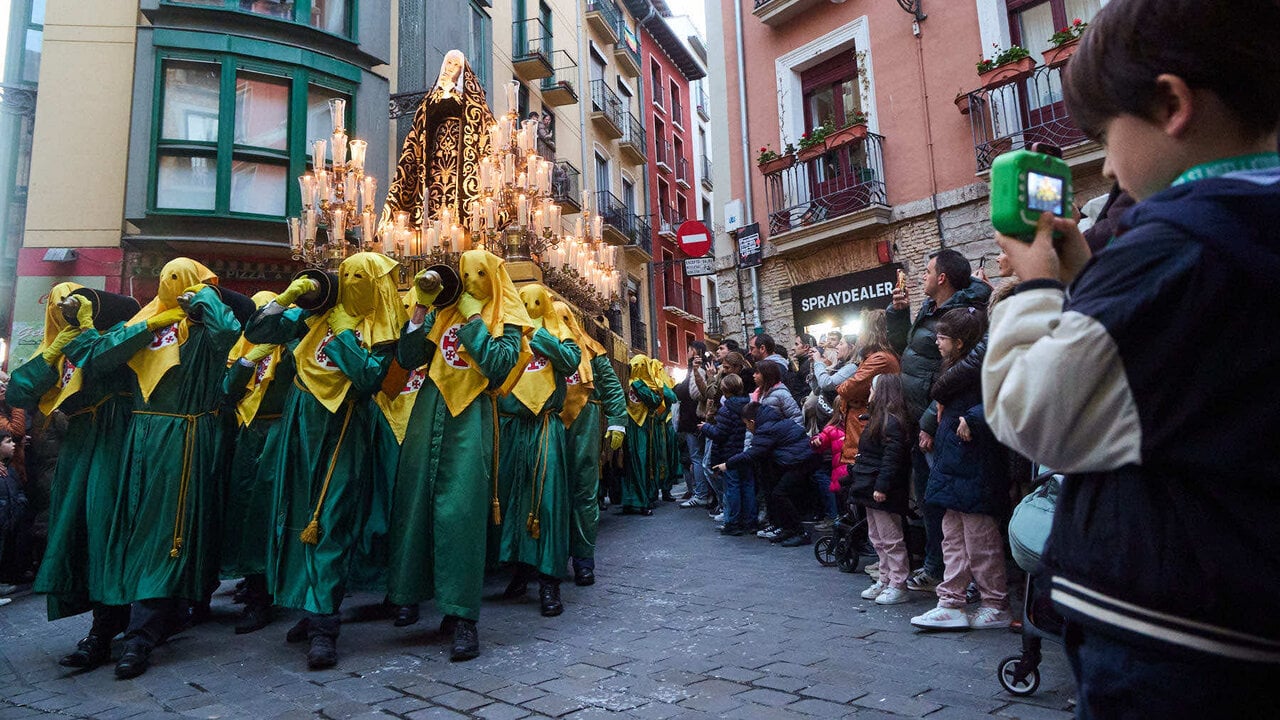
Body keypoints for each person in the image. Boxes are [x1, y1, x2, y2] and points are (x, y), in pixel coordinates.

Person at [983, 0, 1280, 711]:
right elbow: (1160, 373)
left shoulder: (1177, 247)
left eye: (1104, 135)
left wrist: (1034, 289)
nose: (1108, 163)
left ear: (1172, 104)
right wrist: (1090, 281)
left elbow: (1033, 409)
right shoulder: (1243, 232)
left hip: (1177, 643)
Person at [79, 259, 237, 679]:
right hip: (139, 437)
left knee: (163, 534)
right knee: (125, 532)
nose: (181, 287)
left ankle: (141, 637)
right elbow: (98, 358)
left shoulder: (203, 331)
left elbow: (228, 330)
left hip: (183, 441)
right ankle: (105, 628)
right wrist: (150, 325)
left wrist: (203, 299)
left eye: (197, 283)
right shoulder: (145, 323)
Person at [246, 253, 405, 670]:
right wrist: (286, 298)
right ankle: (308, 602)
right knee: (296, 517)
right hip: (300, 425)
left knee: (328, 521)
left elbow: (372, 379)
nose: (350, 281)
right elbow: (260, 330)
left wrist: (346, 336)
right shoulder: (316, 316)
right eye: (346, 273)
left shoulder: (384, 332)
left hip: (343, 429)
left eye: (361, 276)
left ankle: (324, 625)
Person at [387, 250, 532, 662]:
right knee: (415, 503)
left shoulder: (504, 318)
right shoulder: (441, 313)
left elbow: (500, 365)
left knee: (462, 512)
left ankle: (464, 616)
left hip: (471, 418)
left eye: (477, 274)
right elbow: (410, 357)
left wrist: (472, 320)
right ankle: (409, 592)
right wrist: (419, 310)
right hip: (428, 413)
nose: (468, 281)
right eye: (464, 273)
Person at [4, 286, 141, 667]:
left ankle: (127, 624)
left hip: (115, 442)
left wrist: (83, 333)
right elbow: (19, 390)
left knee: (109, 532)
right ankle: (107, 622)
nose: (63, 313)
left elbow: (100, 361)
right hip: (79, 451)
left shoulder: (116, 340)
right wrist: (53, 348)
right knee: (77, 535)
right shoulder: (64, 349)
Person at [887, 250, 990, 593]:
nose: (923, 277)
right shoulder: (927, 309)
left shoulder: (962, 315)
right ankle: (937, 567)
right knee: (933, 499)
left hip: (940, 419)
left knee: (953, 503)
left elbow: (955, 373)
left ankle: (969, 579)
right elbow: (908, 350)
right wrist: (899, 315)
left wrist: (931, 420)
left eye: (929, 271)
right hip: (918, 417)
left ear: (942, 278)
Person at [911, 308, 1011, 630]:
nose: (937, 342)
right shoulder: (954, 369)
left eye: (942, 337)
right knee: (952, 536)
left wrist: (975, 418)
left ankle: (995, 603)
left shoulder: (979, 369)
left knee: (980, 539)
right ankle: (950, 601)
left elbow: (1004, 395)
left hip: (974, 461)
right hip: (954, 460)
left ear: (959, 342)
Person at [495, 284, 581, 618]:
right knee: (512, 498)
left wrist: (540, 335)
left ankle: (549, 580)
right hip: (512, 427)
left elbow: (571, 362)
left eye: (536, 303)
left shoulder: (559, 335)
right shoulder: (508, 334)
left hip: (545, 425)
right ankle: (520, 567)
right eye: (523, 303)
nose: (530, 308)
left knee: (547, 501)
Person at [219, 291, 294, 636]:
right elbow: (230, 389)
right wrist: (251, 358)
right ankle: (253, 585)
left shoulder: (293, 345)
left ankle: (271, 591)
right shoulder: (243, 347)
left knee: (274, 512)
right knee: (246, 511)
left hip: (282, 431)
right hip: (248, 433)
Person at [553, 301, 625, 588]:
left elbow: (611, 388)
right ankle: (551, 559)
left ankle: (583, 560)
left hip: (584, 426)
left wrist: (617, 420)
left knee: (584, 494)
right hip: (551, 426)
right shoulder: (540, 347)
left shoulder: (594, 352)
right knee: (551, 495)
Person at [381, 50, 494, 233]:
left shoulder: (470, 100)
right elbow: (418, 132)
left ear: (462, 71)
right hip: (435, 159)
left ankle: (462, 228)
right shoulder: (430, 100)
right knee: (433, 194)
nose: (451, 68)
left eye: (456, 65)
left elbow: (485, 126)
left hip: (462, 158)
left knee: (461, 196)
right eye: (449, 63)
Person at [713, 402, 817, 547]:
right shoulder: (773, 422)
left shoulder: (766, 430)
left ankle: (800, 532)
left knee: (780, 494)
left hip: (801, 461)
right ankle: (788, 528)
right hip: (801, 458)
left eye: (746, 425)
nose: (747, 428)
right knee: (776, 492)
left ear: (752, 421)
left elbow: (752, 454)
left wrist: (727, 464)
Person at [847, 375, 912, 606]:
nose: (869, 393)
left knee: (890, 538)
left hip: (880, 488)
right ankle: (886, 579)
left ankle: (898, 582)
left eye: (873, 389)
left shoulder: (890, 422)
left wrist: (882, 486)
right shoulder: (880, 419)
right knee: (877, 537)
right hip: (871, 486)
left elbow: (892, 459)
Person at [836, 310, 901, 465]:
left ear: (871, 331)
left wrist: (843, 390)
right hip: (862, 427)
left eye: (861, 330)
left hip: (867, 429)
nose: (859, 335)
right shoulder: (873, 357)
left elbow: (847, 389)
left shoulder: (880, 358)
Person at [701, 374, 751, 535]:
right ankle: (750, 520)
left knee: (732, 488)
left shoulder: (726, 409)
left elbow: (720, 434)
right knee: (748, 486)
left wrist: (706, 428)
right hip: (745, 451)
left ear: (725, 390)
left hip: (729, 454)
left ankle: (733, 522)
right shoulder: (748, 405)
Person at [621, 355, 661, 515]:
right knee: (636, 463)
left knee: (636, 464)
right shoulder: (633, 384)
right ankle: (637, 501)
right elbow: (654, 401)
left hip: (640, 428)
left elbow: (656, 402)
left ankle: (634, 500)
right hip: (635, 429)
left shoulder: (640, 385)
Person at [675, 343, 711, 508]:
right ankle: (703, 493)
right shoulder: (696, 370)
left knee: (697, 458)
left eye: (688, 349)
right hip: (695, 420)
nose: (687, 352)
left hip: (693, 420)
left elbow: (693, 393)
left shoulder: (698, 370)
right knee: (700, 458)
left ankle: (701, 493)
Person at [752, 361, 801, 425]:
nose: (754, 375)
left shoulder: (782, 394)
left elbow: (796, 417)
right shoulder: (757, 394)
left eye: (757, 373)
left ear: (766, 374)